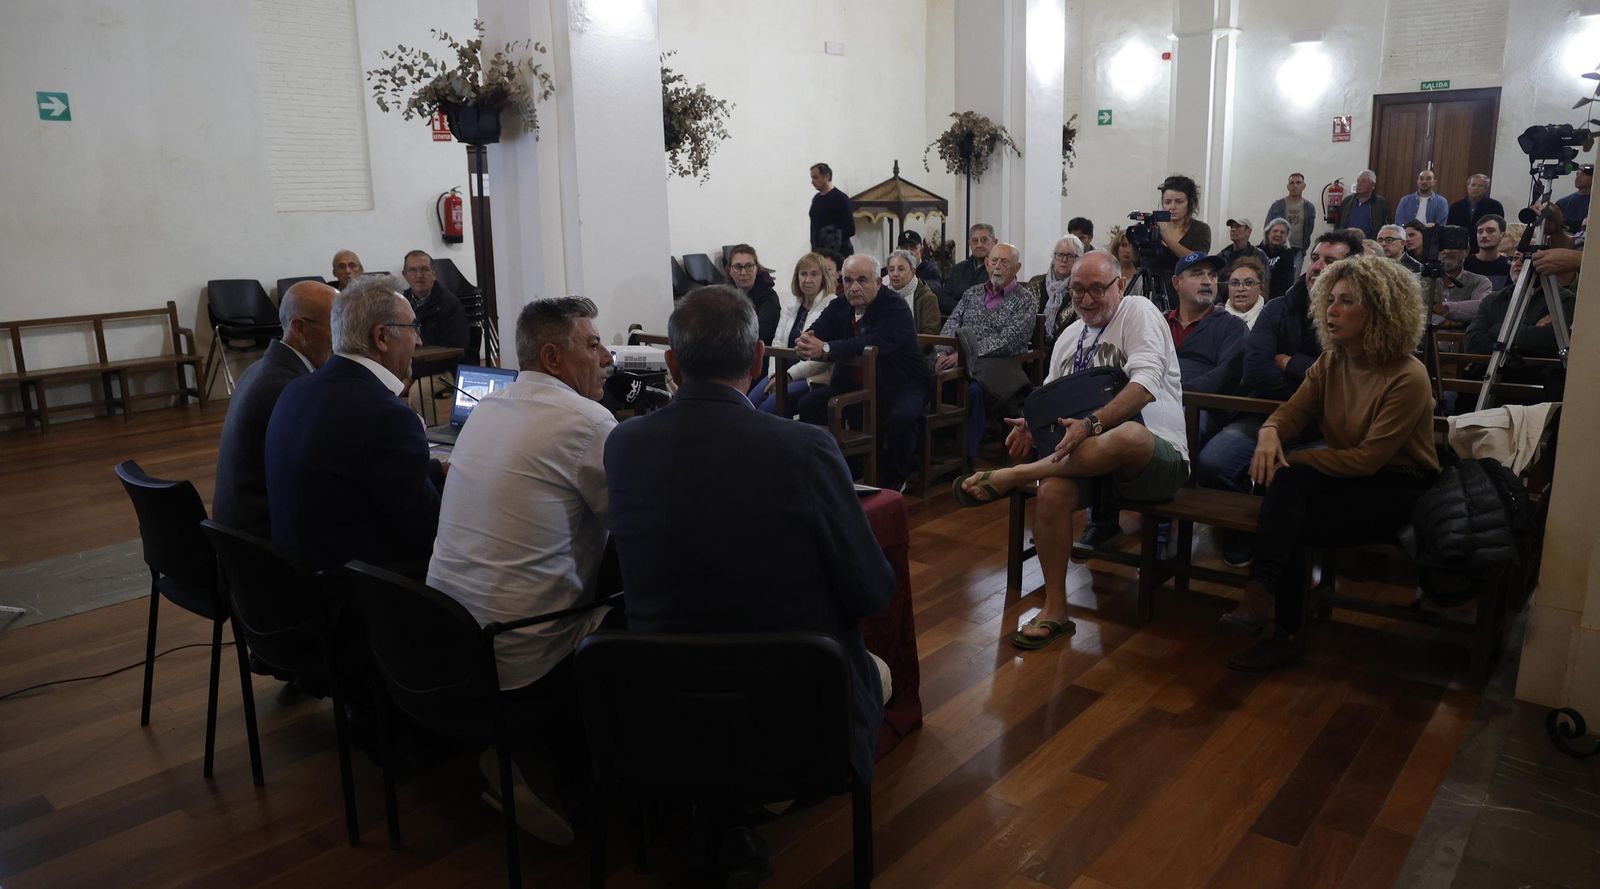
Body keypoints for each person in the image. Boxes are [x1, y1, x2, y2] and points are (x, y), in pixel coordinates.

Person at [604, 285, 894, 783]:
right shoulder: (806, 447)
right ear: (759, 359)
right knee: (873, 670)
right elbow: (872, 589)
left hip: (666, 694)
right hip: (791, 703)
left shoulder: (623, 444)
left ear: (672, 365)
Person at [424, 296, 615, 845]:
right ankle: (608, 774)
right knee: (644, 602)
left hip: (447, 639)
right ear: (553, 357)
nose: (605, 356)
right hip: (523, 656)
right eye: (592, 344)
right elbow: (635, 525)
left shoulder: (488, 407)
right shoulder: (588, 421)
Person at [950, 251, 1189, 650]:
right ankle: (1056, 609)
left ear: (1119, 285)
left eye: (1097, 289)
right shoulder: (1068, 336)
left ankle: (1016, 475)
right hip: (1088, 466)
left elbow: (1145, 386)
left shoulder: (1138, 311)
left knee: (1128, 434)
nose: (1086, 299)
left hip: (1153, 459)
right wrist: (1031, 425)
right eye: (1078, 289)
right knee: (1052, 491)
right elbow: (1053, 399)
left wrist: (1091, 423)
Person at [1225, 256, 1438, 671]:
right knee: (1288, 503)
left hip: (1400, 487)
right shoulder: (1332, 361)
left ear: (1380, 310)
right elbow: (1291, 413)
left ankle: (1274, 617)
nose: (1331, 310)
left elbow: (1369, 459)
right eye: (1330, 299)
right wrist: (1269, 433)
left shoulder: (1407, 375)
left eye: (1347, 301)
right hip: (1350, 478)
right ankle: (1267, 606)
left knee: (1289, 505)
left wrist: (1293, 459)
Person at [1194, 230, 1361, 566]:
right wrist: (1306, 390)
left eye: (1330, 261)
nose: (1317, 266)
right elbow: (1256, 368)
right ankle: (1247, 530)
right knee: (1213, 462)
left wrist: (1290, 362)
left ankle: (1287, 545)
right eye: (1315, 258)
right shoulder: (1278, 308)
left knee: (1295, 477)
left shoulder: (1358, 315)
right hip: (1265, 413)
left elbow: (1348, 376)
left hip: (1327, 423)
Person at [265, 275, 444, 573]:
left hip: (296, 578)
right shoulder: (387, 415)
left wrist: (436, 470)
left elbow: (362, 473)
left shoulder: (296, 389)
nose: (419, 340)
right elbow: (428, 532)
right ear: (381, 337)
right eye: (413, 328)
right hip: (362, 589)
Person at [795, 254, 930, 492]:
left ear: (878, 282)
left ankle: (895, 478)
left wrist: (826, 348)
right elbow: (817, 330)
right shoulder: (840, 304)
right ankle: (828, 469)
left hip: (901, 382)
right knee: (808, 404)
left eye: (862, 280)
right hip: (854, 383)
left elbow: (872, 343)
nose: (854, 287)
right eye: (848, 280)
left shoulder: (894, 306)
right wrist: (806, 340)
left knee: (901, 418)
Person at [213, 281, 336, 537]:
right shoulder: (290, 387)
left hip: (235, 532)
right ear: (300, 328)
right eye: (335, 326)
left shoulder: (260, 369)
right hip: (261, 538)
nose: (342, 338)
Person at [938, 243, 1037, 461]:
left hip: (998, 366)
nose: (998, 267)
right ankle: (936, 451)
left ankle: (966, 456)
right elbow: (952, 323)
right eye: (994, 261)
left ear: (1017, 267)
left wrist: (965, 355)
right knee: (931, 375)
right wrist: (942, 352)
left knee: (973, 390)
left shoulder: (1025, 300)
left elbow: (1009, 340)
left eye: (1005, 262)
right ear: (986, 264)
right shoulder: (972, 293)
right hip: (958, 362)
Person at [753, 252, 839, 414]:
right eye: (803, 274)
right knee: (749, 402)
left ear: (823, 278)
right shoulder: (791, 304)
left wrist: (789, 375)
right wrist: (775, 374)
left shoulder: (833, 304)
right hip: (781, 371)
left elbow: (822, 358)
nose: (808, 280)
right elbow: (777, 343)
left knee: (769, 406)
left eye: (814, 274)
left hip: (812, 377)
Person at [1165, 253, 1247, 395]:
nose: (1207, 281)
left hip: (1201, 404)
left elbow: (1224, 376)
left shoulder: (1232, 327)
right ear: (1176, 283)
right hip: (1150, 401)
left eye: (1213, 275)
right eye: (1197, 274)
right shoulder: (1159, 322)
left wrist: (1176, 395)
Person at [400, 249, 471, 378]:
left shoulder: (450, 304)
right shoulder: (400, 304)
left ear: (434, 273)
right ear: (405, 275)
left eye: (425, 269)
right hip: (411, 369)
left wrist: (412, 377)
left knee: (419, 389)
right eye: (413, 270)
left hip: (444, 370)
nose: (419, 275)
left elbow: (453, 352)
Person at [1026, 235, 1083, 344]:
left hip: (1066, 347)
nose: (1064, 260)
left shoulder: (1080, 288)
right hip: (1033, 346)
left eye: (1070, 256)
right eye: (1060, 254)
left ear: (1078, 260)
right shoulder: (1035, 283)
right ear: (1053, 257)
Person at [1153, 174, 1212, 273]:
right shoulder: (1154, 226)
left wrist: (1167, 238)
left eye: (1179, 202)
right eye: (1167, 202)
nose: (1172, 207)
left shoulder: (1200, 229)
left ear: (1190, 203)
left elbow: (1198, 261)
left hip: (1184, 280)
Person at [1427, 238, 1492, 328]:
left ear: (1467, 250)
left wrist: (1445, 308)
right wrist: (1449, 322)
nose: (1447, 251)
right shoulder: (1419, 280)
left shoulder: (1480, 282)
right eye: (1442, 246)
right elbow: (1412, 311)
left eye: (1453, 246)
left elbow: (1481, 308)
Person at [725, 244, 780, 344]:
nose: (743, 272)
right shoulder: (724, 296)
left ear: (757, 268)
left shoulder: (769, 299)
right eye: (737, 267)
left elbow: (758, 336)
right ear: (730, 271)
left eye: (749, 266)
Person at [940, 224, 997, 314]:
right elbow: (943, 299)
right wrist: (964, 311)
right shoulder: (958, 269)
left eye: (984, 240)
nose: (979, 245)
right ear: (969, 244)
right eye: (975, 241)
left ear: (994, 242)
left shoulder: (999, 270)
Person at [885, 249, 940, 336]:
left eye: (901, 269)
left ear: (913, 271)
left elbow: (929, 334)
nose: (895, 274)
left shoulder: (927, 298)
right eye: (891, 270)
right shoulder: (882, 296)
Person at [808, 162, 855, 255]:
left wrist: (830, 237)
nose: (812, 182)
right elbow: (814, 228)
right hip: (819, 253)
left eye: (815, 177)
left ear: (827, 176)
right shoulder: (816, 199)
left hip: (840, 253)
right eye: (812, 178)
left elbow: (850, 229)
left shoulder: (841, 198)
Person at [1266, 173, 1317, 252]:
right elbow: (1267, 227)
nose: (1295, 185)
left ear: (1304, 186)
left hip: (1298, 249)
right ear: (1288, 187)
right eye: (1292, 183)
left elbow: (1309, 229)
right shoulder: (1277, 205)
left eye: (1298, 182)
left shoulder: (1309, 207)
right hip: (1278, 247)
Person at [1336, 170, 1391, 239]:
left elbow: (1385, 226)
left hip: (1370, 242)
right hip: (1346, 241)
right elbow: (1338, 225)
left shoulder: (1380, 203)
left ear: (1372, 185)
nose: (1359, 184)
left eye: (1363, 181)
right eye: (1358, 181)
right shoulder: (1347, 201)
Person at [1463, 214, 1511, 287]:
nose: (1484, 235)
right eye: (1480, 231)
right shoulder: (1464, 265)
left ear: (1502, 235)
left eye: (1490, 231)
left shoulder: (1508, 267)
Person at [1222, 256, 1269, 329]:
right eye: (1235, 283)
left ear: (1261, 288)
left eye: (1248, 283)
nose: (1240, 289)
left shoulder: (1271, 319)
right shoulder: (1216, 320)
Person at [1258, 218, 1299, 298]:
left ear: (1286, 236)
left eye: (1282, 232)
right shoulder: (1257, 252)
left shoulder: (1288, 256)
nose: (1278, 234)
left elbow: (1287, 283)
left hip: (1276, 298)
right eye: (1275, 231)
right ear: (1268, 233)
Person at [1554, 163, 1591, 235]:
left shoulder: (1595, 204)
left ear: (1594, 178)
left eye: (1583, 175)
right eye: (1577, 174)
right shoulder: (1562, 204)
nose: (1578, 178)